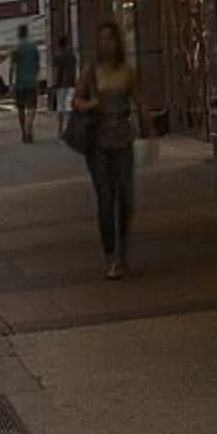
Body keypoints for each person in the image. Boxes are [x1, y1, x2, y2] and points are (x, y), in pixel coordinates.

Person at [70, 21, 144, 278]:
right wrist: (91, 104)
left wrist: (150, 127)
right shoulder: (91, 71)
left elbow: (139, 100)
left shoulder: (127, 71)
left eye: (110, 39)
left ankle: (123, 251)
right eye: (102, 40)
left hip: (123, 140)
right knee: (105, 198)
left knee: (125, 198)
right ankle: (111, 255)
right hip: (98, 144)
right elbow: (76, 100)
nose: (106, 45)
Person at [7, 23, 43, 143]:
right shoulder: (33, 47)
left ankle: (23, 131)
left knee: (21, 108)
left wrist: (11, 83)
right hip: (31, 81)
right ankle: (29, 127)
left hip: (20, 82)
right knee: (32, 107)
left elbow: (12, 67)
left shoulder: (16, 49)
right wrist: (36, 76)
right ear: (27, 32)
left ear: (18, 34)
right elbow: (38, 65)